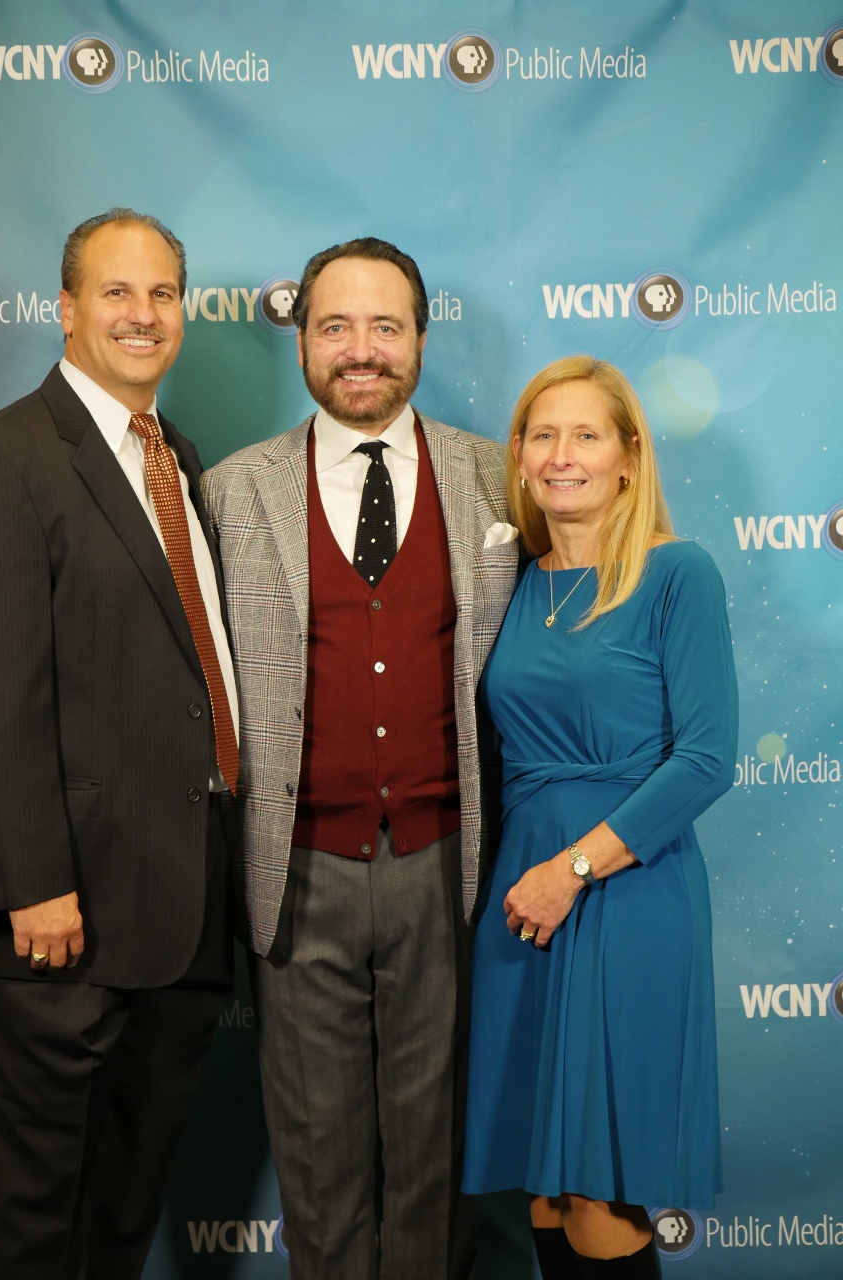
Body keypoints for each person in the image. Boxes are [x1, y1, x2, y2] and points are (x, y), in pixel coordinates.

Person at [0, 208, 239, 1279]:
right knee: (31, 1237)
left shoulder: (174, 456)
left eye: (162, 293)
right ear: (66, 309)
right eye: (116, 292)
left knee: (114, 1227)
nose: (143, 315)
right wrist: (33, 883)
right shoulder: (2, 457)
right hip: (56, 929)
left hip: (175, 917)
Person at [203, 237, 521, 1279]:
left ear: (423, 338)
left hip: (447, 870)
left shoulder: (497, 479)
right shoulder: (232, 491)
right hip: (297, 874)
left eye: (386, 325)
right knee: (321, 1167)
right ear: (300, 340)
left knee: (436, 1163)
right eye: (335, 325)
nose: (362, 349)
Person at [462, 356, 738, 1279]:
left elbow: (707, 759)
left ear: (629, 456)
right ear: (518, 454)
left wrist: (574, 870)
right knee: (544, 1184)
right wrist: (534, 877)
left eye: (586, 435)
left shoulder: (675, 573)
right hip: (521, 896)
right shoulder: (516, 582)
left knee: (599, 1185)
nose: (562, 455)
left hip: (623, 893)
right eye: (543, 434)